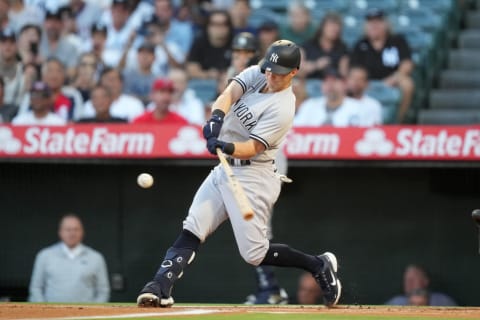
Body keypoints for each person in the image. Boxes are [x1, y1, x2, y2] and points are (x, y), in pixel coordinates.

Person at [136, 40, 341, 309]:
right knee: (193, 227)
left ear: (293, 73)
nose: (271, 75)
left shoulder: (283, 108)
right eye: (269, 69)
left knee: (255, 254)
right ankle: (160, 286)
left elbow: (252, 148)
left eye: (278, 72)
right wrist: (216, 119)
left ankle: (318, 264)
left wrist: (226, 145)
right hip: (226, 169)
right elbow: (229, 94)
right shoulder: (259, 71)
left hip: (254, 176)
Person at [349, 8, 414, 123]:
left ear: (386, 24)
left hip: (393, 81)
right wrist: (365, 83)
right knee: (349, 84)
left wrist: (394, 78)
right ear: (366, 26)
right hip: (366, 83)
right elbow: (355, 69)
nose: (374, 25)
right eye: (371, 22)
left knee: (407, 84)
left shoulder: (397, 41)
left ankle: (399, 121)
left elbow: (407, 64)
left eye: (378, 22)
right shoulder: (360, 44)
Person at [28, 214, 110, 303]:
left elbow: (103, 291)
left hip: (84, 315)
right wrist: (44, 312)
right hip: (52, 315)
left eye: (76, 229)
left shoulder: (96, 258)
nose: (72, 233)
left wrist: (94, 313)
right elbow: (36, 288)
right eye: (68, 229)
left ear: (82, 232)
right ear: (60, 232)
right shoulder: (45, 256)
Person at [294, 68, 361, 127]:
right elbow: (297, 129)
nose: (330, 84)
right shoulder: (309, 105)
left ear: (344, 84)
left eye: (334, 80)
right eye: (326, 81)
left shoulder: (357, 107)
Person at [186, 10, 233, 80]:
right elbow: (191, 69)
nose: (219, 28)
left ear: (229, 27)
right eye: (215, 24)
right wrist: (208, 74)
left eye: (224, 24)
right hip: (204, 82)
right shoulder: (200, 42)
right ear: (208, 26)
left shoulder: (235, 43)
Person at [300, 13, 348, 79]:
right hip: (309, 82)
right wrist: (316, 65)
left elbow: (344, 73)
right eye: (331, 26)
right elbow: (298, 68)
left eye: (337, 27)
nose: (334, 29)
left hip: (333, 84)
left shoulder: (343, 49)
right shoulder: (308, 46)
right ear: (323, 27)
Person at [386, 264, 457, 306]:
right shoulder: (396, 303)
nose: (409, 283)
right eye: (406, 280)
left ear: (425, 281)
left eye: (412, 280)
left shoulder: (442, 301)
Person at [0, 29, 26, 107]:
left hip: (18, 114)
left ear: (17, 45)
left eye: (11, 42)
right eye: (4, 42)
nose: (8, 46)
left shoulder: (24, 69)